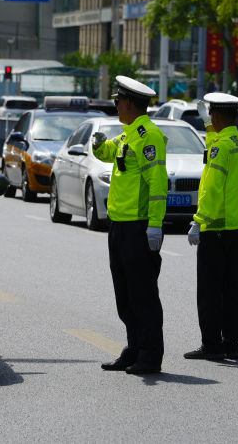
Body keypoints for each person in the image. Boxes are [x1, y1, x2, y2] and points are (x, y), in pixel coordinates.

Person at [92, 75, 168, 375]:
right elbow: (108, 153)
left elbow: (158, 183)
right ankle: (134, 347)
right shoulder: (128, 135)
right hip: (120, 226)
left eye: (117, 101)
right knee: (124, 295)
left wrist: (155, 225)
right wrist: (98, 144)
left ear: (128, 103)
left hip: (138, 228)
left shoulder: (149, 136)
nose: (116, 106)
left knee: (143, 295)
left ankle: (150, 355)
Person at [184, 92, 238, 361]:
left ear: (215, 114)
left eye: (211, 115)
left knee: (210, 290)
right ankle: (231, 344)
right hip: (235, 225)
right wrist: (210, 127)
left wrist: (198, 222)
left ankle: (211, 345)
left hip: (214, 228)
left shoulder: (220, 148)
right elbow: (219, 144)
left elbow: (211, 189)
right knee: (231, 288)